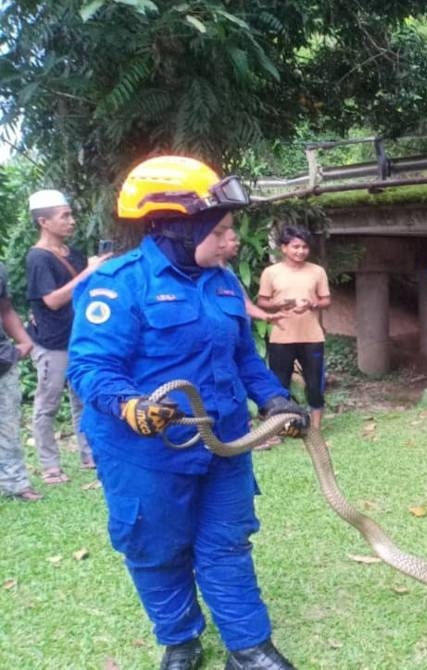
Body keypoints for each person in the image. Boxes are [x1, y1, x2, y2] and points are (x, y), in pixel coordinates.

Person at [67, 155, 308, 670]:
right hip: (144, 454)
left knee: (227, 543)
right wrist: (128, 405)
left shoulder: (223, 283)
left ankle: (249, 647)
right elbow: (90, 367)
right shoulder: (118, 284)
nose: (231, 241)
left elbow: (244, 357)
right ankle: (180, 641)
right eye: (220, 230)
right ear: (180, 228)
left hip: (223, 444)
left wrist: (275, 398)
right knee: (157, 549)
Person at [26, 189, 111, 484]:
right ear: (43, 222)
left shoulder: (72, 254)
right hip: (51, 343)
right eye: (65, 216)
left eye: (71, 214)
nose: (72, 221)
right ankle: (50, 466)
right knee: (47, 405)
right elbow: (52, 300)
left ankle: (88, 455)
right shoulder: (38, 258)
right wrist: (88, 272)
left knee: (83, 400)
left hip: (79, 339)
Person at [256, 225, 331, 430]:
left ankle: (315, 427)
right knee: (280, 383)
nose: (301, 251)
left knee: (315, 383)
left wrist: (313, 304)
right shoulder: (271, 273)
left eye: (305, 247)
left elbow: (326, 300)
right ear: (284, 248)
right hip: (281, 336)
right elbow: (262, 302)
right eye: (296, 246)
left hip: (312, 336)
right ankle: (283, 425)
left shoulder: (317, 271)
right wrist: (281, 304)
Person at [0, 261, 41, 502]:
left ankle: (16, 483)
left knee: (8, 426)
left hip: (3, 361)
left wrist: (24, 340)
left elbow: (5, 308)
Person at [219, 227, 287, 325]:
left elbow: (244, 302)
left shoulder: (228, 269)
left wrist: (266, 316)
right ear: (219, 243)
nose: (238, 243)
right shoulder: (203, 272)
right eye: (233, 240)